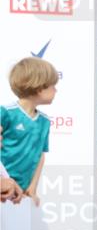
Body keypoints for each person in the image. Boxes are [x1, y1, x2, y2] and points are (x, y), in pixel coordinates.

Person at [1, 56, 58, 201]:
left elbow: (40, 155)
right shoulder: (6, 112)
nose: (56, 90)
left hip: (21, 194)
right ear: (39, 88)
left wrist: (33, 187)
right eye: (53, 85)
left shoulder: (44, 121)